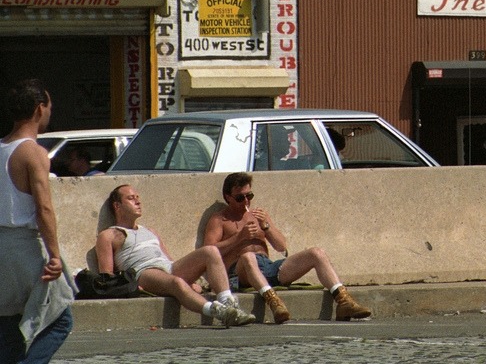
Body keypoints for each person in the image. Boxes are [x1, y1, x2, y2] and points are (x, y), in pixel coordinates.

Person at [203, 172, 371, 323]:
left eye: (250, 195)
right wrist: (239, 238)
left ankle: (344, 301)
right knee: (248, 257)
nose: (246, 201)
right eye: (240, 198)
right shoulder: (220, 220)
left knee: (316, 253)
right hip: (239, 271)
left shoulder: (257, 216)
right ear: (228, 197)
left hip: (267, 267)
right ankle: (274, 303)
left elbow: (281, 246)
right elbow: (209, 252)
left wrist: (266, 226)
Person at [95, 184, 257, 327]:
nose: (138, 202)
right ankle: (221, 313)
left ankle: (228, 303)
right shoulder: (108, 235)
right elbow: (107, 276)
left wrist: (191, 281)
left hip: (168, 268)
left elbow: (169, 260)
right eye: (131, 199)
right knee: (177, 282)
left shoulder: (150, 231)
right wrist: (130, 288)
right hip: (144, 272)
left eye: (138, 198)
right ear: (117, 206)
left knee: (211, 251)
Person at [0, 79, 75, 364]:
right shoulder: (34, 153)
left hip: (2, 248)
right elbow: (43, 208)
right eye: (49, 105)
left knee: (9, 328)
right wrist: (54, 255)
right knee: (59, 320)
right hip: (24, 247)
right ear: (39, 108)